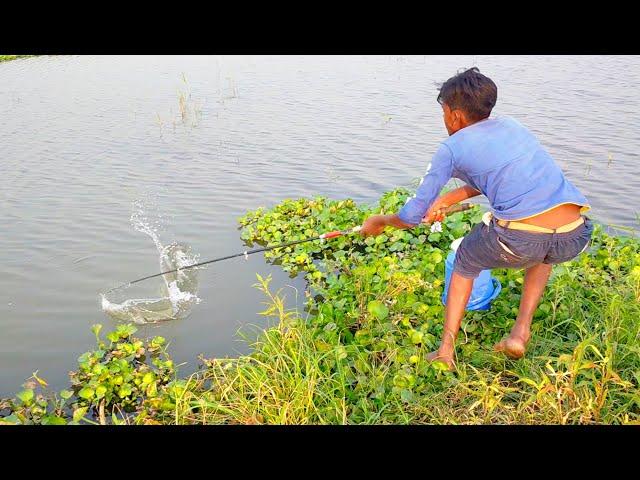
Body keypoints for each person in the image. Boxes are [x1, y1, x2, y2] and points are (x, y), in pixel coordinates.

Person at [359, 67, 593, 369]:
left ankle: (446, 350)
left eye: (444, 113)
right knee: (541, 252)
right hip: (573, 235)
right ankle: (520, 333)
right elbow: (500, 176)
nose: (444, 121)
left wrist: (380, 221)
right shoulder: (512, 127)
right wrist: (449, 197)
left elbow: (411, 216)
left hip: (521, 238)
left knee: (466, 258)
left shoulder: (451, 148)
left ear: (454, 114)